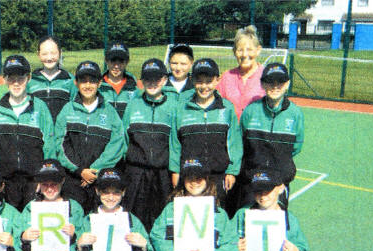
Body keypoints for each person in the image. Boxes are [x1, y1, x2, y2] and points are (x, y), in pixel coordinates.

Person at [150, 158, 238, 251]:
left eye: (199, 178)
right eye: (190, 177)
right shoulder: (171, 209)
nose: (194, 182)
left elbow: (230, 242)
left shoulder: (219, 213)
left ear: (207, 180)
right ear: (183, 180)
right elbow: (157, 236)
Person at [0, 55, 55, 211]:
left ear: (28, 78)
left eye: (20, 78)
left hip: (34, 182)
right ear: (4, 79)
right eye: (11, 78)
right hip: (6, 183)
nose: (16, 83)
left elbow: (50, 146)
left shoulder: (40, 108)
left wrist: (44, 178)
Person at [169, 58, 243, 212]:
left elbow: (234, 143)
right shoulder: (181, 109)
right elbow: (175, 144)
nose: (204, 86)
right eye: (199, 81)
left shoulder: (227, 108)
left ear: (217, 80)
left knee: (218, 217)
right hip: (190, 177)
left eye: (209, 81)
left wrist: (232, 171)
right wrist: (175, 170)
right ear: (192, 80)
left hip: (218, 176)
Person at [55, 60, 126, 213]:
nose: (88, 85)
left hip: (100, 180)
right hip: (74, 179)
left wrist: (94, 170)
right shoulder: (67, 110)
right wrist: (80, 171)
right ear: (76, 83)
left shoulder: (110, 112)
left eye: (92, 81)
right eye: (83, 81)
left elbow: (117, 144)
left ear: (100, 83)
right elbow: (60, 144)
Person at [19, 159, 85, 251]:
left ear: (62, 181)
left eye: (54, 184)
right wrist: (24, 235)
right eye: (45, 184)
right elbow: (19, 230)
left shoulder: (73, 207)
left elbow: (85, 232)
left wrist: (76, 234)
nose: (49, 189)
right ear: (39, 185)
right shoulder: (32, 207)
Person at [121, 58, 178, 232]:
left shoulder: (175, 107)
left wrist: (175, 169)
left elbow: (176, 143)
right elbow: (124, 139)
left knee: (162, 218)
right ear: (141, 81)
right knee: (135, 218)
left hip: (163, 173)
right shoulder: (133, 105)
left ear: (165, 80)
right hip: (136, 172)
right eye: (147, 79)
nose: (152, 83)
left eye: (157, 79)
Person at [239, 63, 304, 209]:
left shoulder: (295, 114)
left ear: (287, 84)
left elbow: (296, 146)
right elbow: (242, 143)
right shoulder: (251, 110)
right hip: (252, 180)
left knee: (278, 224)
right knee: (247, 222)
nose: (275, 86)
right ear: (262, 84)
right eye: (270, 82)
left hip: (279, 182)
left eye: (280, 82)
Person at [216, 25, 266, 119]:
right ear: (234, 52)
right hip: (231, 131)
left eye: (249, 49)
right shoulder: (226, 77)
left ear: (258, 50)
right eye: (240, 50)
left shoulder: (267, 76)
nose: (244, 54)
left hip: (257, 132)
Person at [28, 36, 77, 122]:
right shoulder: (30, 81)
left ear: (60, 53)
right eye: (44, 54)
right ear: (38, 54)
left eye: (53, 53)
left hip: (62, 133)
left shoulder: (71, 80)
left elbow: (76, 110)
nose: (49, 58)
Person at [98, 42, 140, 119]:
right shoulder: (97, 86)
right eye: (113, 60)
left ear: (127, 62)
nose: (116, 66)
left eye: (121, 61)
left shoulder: (135, 88)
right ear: (106, 61)